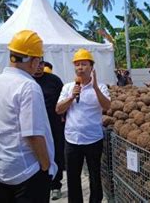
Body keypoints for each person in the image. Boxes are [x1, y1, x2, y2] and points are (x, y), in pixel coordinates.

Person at [0, 30, 57, 203]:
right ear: (34, 60)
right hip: (27, 174)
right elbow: (33, 134)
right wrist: (46, 167)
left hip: (0, 172)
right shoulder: (28, 86)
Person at [56, 48, 111, 203]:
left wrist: (94, 88)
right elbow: (58, 109)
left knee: (95, 175)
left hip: (93, 139)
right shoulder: (67, 87)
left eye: (84, 64)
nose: (80, 67)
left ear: (91, 67)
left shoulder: (101, 87)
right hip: (72, 140)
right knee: (73, 177)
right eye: (77, 64)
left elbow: (107, 106)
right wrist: (72, 96)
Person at [32, 60, 65, 200]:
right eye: (37, 64)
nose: (39, 67)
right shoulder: (27, 81)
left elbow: (63, 99)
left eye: (41, 64)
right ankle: (40, 184)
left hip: (54, 124)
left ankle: (56, 185)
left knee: (56, 153)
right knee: (37, 153)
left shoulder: (54, 80)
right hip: (34, 125)